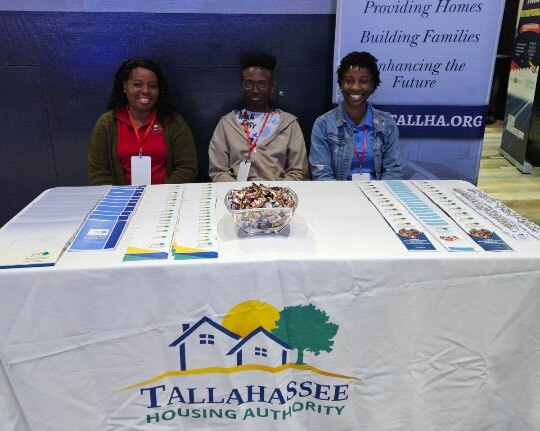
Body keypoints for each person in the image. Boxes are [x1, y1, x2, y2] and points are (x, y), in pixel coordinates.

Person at [88, 58, 197, 185]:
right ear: (125, 86)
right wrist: (120, 199)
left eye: (153, 86)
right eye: (138, 84)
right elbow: (98, 174)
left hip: (164, 199)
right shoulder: (107, 123)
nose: (145, 90)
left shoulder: (173, 122)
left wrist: (161, 195)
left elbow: (187, 167)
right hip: (121, 200)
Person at [208, 52, 309, 182]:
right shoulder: (227, 124)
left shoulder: (289, 124)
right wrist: (240, 194)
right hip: (237, 195)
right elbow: (218, 171)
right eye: (249, 84)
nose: (255, 90)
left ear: (272, 87)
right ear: (242, 85)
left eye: (262, 84)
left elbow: (298, 171)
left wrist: (275, 195)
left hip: (277, 197)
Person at [310, 51, 403, 181]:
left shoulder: (386, 124)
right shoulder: (323, 124)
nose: (356, 87)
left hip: (378, 195)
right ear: (341, 84)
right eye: (349, 81)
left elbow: (393, 170)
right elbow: (321, 173)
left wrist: (380, 197)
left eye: (364, 81)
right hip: (337, 195)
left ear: (372, 85)